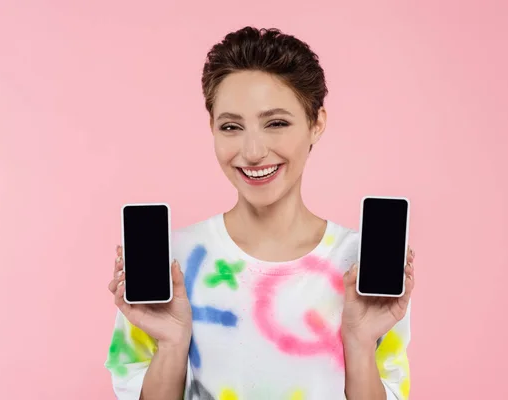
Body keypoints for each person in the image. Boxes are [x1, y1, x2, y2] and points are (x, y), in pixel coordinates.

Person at [105, 26, 415, 400]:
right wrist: (172, 344)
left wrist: (361, 343)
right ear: (213, 130)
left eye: (276, 123)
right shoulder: (169, 263)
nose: (253, 151)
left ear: (316, 124)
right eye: (231, 126)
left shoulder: (363, 267)